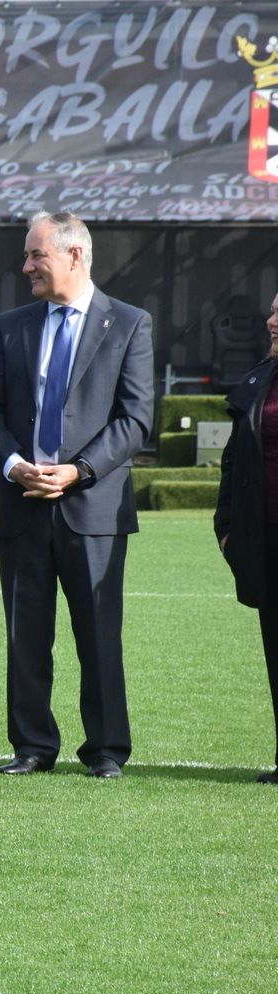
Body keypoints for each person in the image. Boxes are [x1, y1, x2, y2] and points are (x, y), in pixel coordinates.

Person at [0, 211, 153, 779]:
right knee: (25, 634)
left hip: (93, 508)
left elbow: (135, 421)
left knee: (99, 634)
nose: (25, 265)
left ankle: (105, 750)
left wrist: (78, 472)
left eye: (36, 255)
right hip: (21, 503)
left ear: (75, 256)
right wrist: (12, 465)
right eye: (28, 256)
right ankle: (32, 746)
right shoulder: (11, 326)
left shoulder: (129, 324)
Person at [215, 289, 278, 785]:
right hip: (265, 540)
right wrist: (226, 529)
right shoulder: (260, 378)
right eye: (272, 312)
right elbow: (233, 461)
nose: (271, 322)